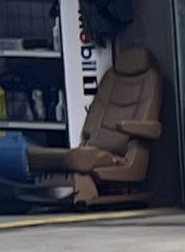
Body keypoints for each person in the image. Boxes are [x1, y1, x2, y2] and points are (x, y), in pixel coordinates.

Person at [26, 38, 165, 204]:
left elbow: (151, 127)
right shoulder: (110, 79)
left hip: (123, 155)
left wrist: (123, 127)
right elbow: (90, 126)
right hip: (95, 150)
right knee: (40, 154)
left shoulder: (150, 80)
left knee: (77, 157)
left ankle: (82, 191)